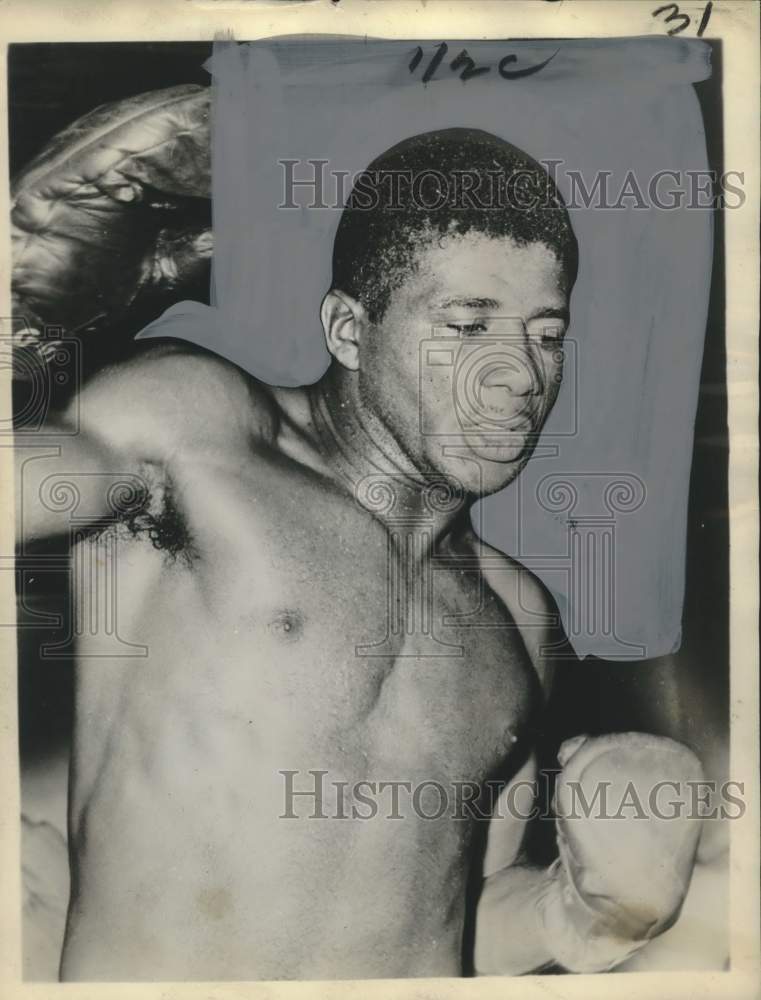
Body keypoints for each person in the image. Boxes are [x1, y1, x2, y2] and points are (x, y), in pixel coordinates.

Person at [14, 128, 704, 980]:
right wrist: (17, 320)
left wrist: (599, 912)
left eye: (547, 335)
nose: (518, 374)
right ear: (348, 328)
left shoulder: (517, 618)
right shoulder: (201, 434)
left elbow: (462, 921)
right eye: (465, 324)